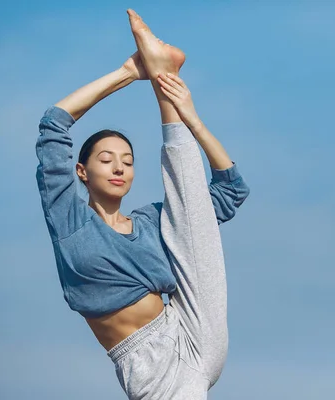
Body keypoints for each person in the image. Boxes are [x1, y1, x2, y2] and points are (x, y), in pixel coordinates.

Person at [34, 9, 250, 399]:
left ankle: (168, 87)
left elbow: (229, 190)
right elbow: (55, 122)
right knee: (185, 213)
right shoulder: (70, 220)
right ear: (81, 171)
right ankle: (157, 69)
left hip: (192, 328)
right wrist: (128, 73)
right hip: (155, 371)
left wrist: (193, 119)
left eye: (128, 162)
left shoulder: (150, 223)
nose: (119, 167)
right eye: (106, 159)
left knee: (187, 209)